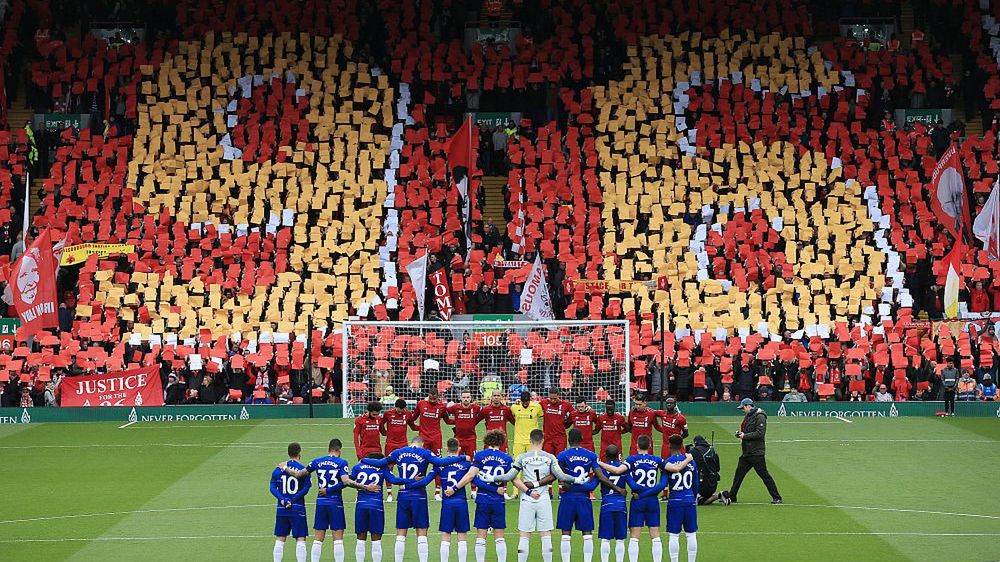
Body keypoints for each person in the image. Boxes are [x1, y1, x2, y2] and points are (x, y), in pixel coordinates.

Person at [363, 436, 467, 562]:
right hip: (419, 496)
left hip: (403, 495)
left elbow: (380, 463)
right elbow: (440, 463)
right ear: (422, 444)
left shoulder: (398, 452)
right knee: (422, 532)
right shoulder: (425, 453)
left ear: (411, 443)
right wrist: (462, 457)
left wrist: (364, 460)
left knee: (401, 533)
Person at [489, 429, 582, 562]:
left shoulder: (522, 457)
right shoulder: (550, 457)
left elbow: (509, 476)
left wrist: (492, 478)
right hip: (543, 498)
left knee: (524, 535)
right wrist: (576, 480)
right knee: (546, 535)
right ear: (543, 440)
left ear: (530, 440)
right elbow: (561, 476)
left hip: (528, 499)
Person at [278, 439, 377, 562]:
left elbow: (299, 474)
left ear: (328, 449)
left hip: (321, 503)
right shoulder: (341, 462)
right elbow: (346, 481)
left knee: (318, 538)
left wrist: (285, 468)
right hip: (335, 503)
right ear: (339, 449)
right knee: (338, 538)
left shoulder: (317, 461)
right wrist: (366, 487)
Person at [599, 435, 693, 562]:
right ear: (650, 446)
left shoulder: (631, 460)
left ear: (637, 445)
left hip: (638, 501)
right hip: (652, 500)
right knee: (655, 536)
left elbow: (616, 470)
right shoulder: (657, 460)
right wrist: (688, 459)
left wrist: (599, 463)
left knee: (634, 537)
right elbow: (675, 469)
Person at [555, 428, 625, 562]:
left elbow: (555, 473)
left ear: (569, 440)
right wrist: (617, 488)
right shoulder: (591, 456)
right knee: (587, 534)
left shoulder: (562, 455)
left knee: (565, 533)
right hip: (584, 499)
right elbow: (599, 477)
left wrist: (566, 486)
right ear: (582, 440)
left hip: (567, 498)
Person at [447, 430, 514, 562]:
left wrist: (455, 488)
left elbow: (471, 476)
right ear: (501, 442)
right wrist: (528, 490)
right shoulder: (506, 458)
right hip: (498, 501)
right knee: (499, 536)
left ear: (487, 441)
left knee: (481, 536)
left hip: (483, 499)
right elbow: (513, 478)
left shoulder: (480, 455)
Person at [721, 398, 782, 505]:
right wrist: (741, 434)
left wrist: (745, 436)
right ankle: (732, 496)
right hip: (747, 452)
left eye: (743, 407)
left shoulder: (760, 416)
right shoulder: (750, 416)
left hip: (756, 453)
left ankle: (777, 497)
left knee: (764, 476)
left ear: (748, 406)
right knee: (738, 475)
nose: (742, 410)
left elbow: (760, 433)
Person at [351, 453, 410, 562]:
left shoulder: (357, 467)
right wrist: (411, 480)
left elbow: (348, 481)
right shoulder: (382, 468)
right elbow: (394, 480)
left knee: (360, 538)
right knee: (376, 539)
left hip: (361, 505)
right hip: (376, 506)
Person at [270, 442, 312, 562]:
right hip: (297, 507)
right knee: (300, 538)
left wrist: (283, 500)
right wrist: (292, 500)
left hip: (282, 509)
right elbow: (306, 488)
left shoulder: (278, 469)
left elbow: (272, 488)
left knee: (280, 538)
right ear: (300, 452)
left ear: (288, 453)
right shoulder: (303, 469)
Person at [437, 438, 474, 562]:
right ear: (459, 449)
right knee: (462, 536)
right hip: (461, 502)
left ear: (446, 449)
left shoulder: (440, 464)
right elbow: (476, 480)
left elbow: (426, 480)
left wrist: (407, 485)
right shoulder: (466, 464)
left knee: (446, 535)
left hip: (447, 503)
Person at [411, 390, 451, 499]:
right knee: (420, 463)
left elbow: (447, 421)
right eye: (431, 398)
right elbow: (413, 418)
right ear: (428, 396)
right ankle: (417, 488)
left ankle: (437, 491)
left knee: (438, 464)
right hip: (423, 439)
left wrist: (462, 421)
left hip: (436, 439)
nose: (432, 400)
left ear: (438, 397)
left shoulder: (441, 407)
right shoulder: (421, 404)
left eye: (435, 398)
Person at [664, 435, 699, 562]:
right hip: (689, 499)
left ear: (670, 446)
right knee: (691, 534)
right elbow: (695, 484)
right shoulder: (691, 461)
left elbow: (664, 483)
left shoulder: (667, 462)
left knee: (674, 535)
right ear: (682, 445)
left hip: (675, 500)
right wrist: (693, 498)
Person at [597, 445, 629, 562]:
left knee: (606, 539)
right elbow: (632, 484)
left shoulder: (601, 469)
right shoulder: (623, 468)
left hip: (606, 505)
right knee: (620, 539)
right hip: (621, 505)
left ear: (605, 456)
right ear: (618, 456)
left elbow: (591, 485)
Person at [381, 398, 412, 501]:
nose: (400, 412)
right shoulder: (387, 413)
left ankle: (402, 488)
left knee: (403, 467)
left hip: (403, 444)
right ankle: (389, 492)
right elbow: (381, 424)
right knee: (389, 467)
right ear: (395, 407)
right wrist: (384, 433)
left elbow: (412, 425)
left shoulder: (408, 414)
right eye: (398, 410)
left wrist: (423, 428)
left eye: (401, 410)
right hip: (390, 444)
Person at [686, 436, 722, 505]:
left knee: (700, 502)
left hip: (701, 485)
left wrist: (686, 451)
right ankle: (719, 495)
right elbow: (717, 469)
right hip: (713, 484)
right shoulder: (712, 451)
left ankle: (700, 496)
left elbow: (687, 464)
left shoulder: (694, 451)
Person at [448, 390, 482, 458]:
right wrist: (455, 422)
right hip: (458, 439)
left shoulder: (475, 408)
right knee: (458, 460)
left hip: (471, 439)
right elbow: (444, 410)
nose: (465, 399)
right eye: (463, 397)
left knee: (472, 460)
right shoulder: (455, 407)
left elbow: (484, 412)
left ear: (471, 398)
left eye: (467, 397)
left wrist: (474, 422)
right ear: (460, 398)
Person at [540, 388, 573, 456]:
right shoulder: (543, 403)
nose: (552, 400)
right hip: (548, 438)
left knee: (560, 459)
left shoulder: (566, 404)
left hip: (560, 438)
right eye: (551, 398)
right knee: (548, 459)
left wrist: (567, 424)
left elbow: (574, 414)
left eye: (555, 398)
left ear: (558, 395)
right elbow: (533, 407)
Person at [511, 390, 544, 457]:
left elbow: (541, 415)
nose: (525, 403)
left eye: (527, 401)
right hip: (518, 441)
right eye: (523, 401)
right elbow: (512, 416)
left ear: (530, 399)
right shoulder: (514, 407)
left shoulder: (537, 407)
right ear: (520, 400)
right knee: (517, 461)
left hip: (532, 440)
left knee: (532, 461)